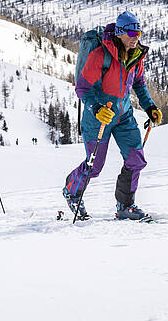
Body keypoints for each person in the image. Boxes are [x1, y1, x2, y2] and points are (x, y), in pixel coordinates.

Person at [63, 11, 162, 220]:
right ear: (119, 32)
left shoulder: (137, 56)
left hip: (123, 116)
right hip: (98, 117)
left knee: (136, 159)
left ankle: (125, 205)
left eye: (139, 32)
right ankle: (72, 192)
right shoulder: (100, 55)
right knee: (94, 166)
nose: (136, 36)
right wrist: (97, 108)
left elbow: (139, 85)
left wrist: (150, 107)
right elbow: (82, 88)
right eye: (132, 32)